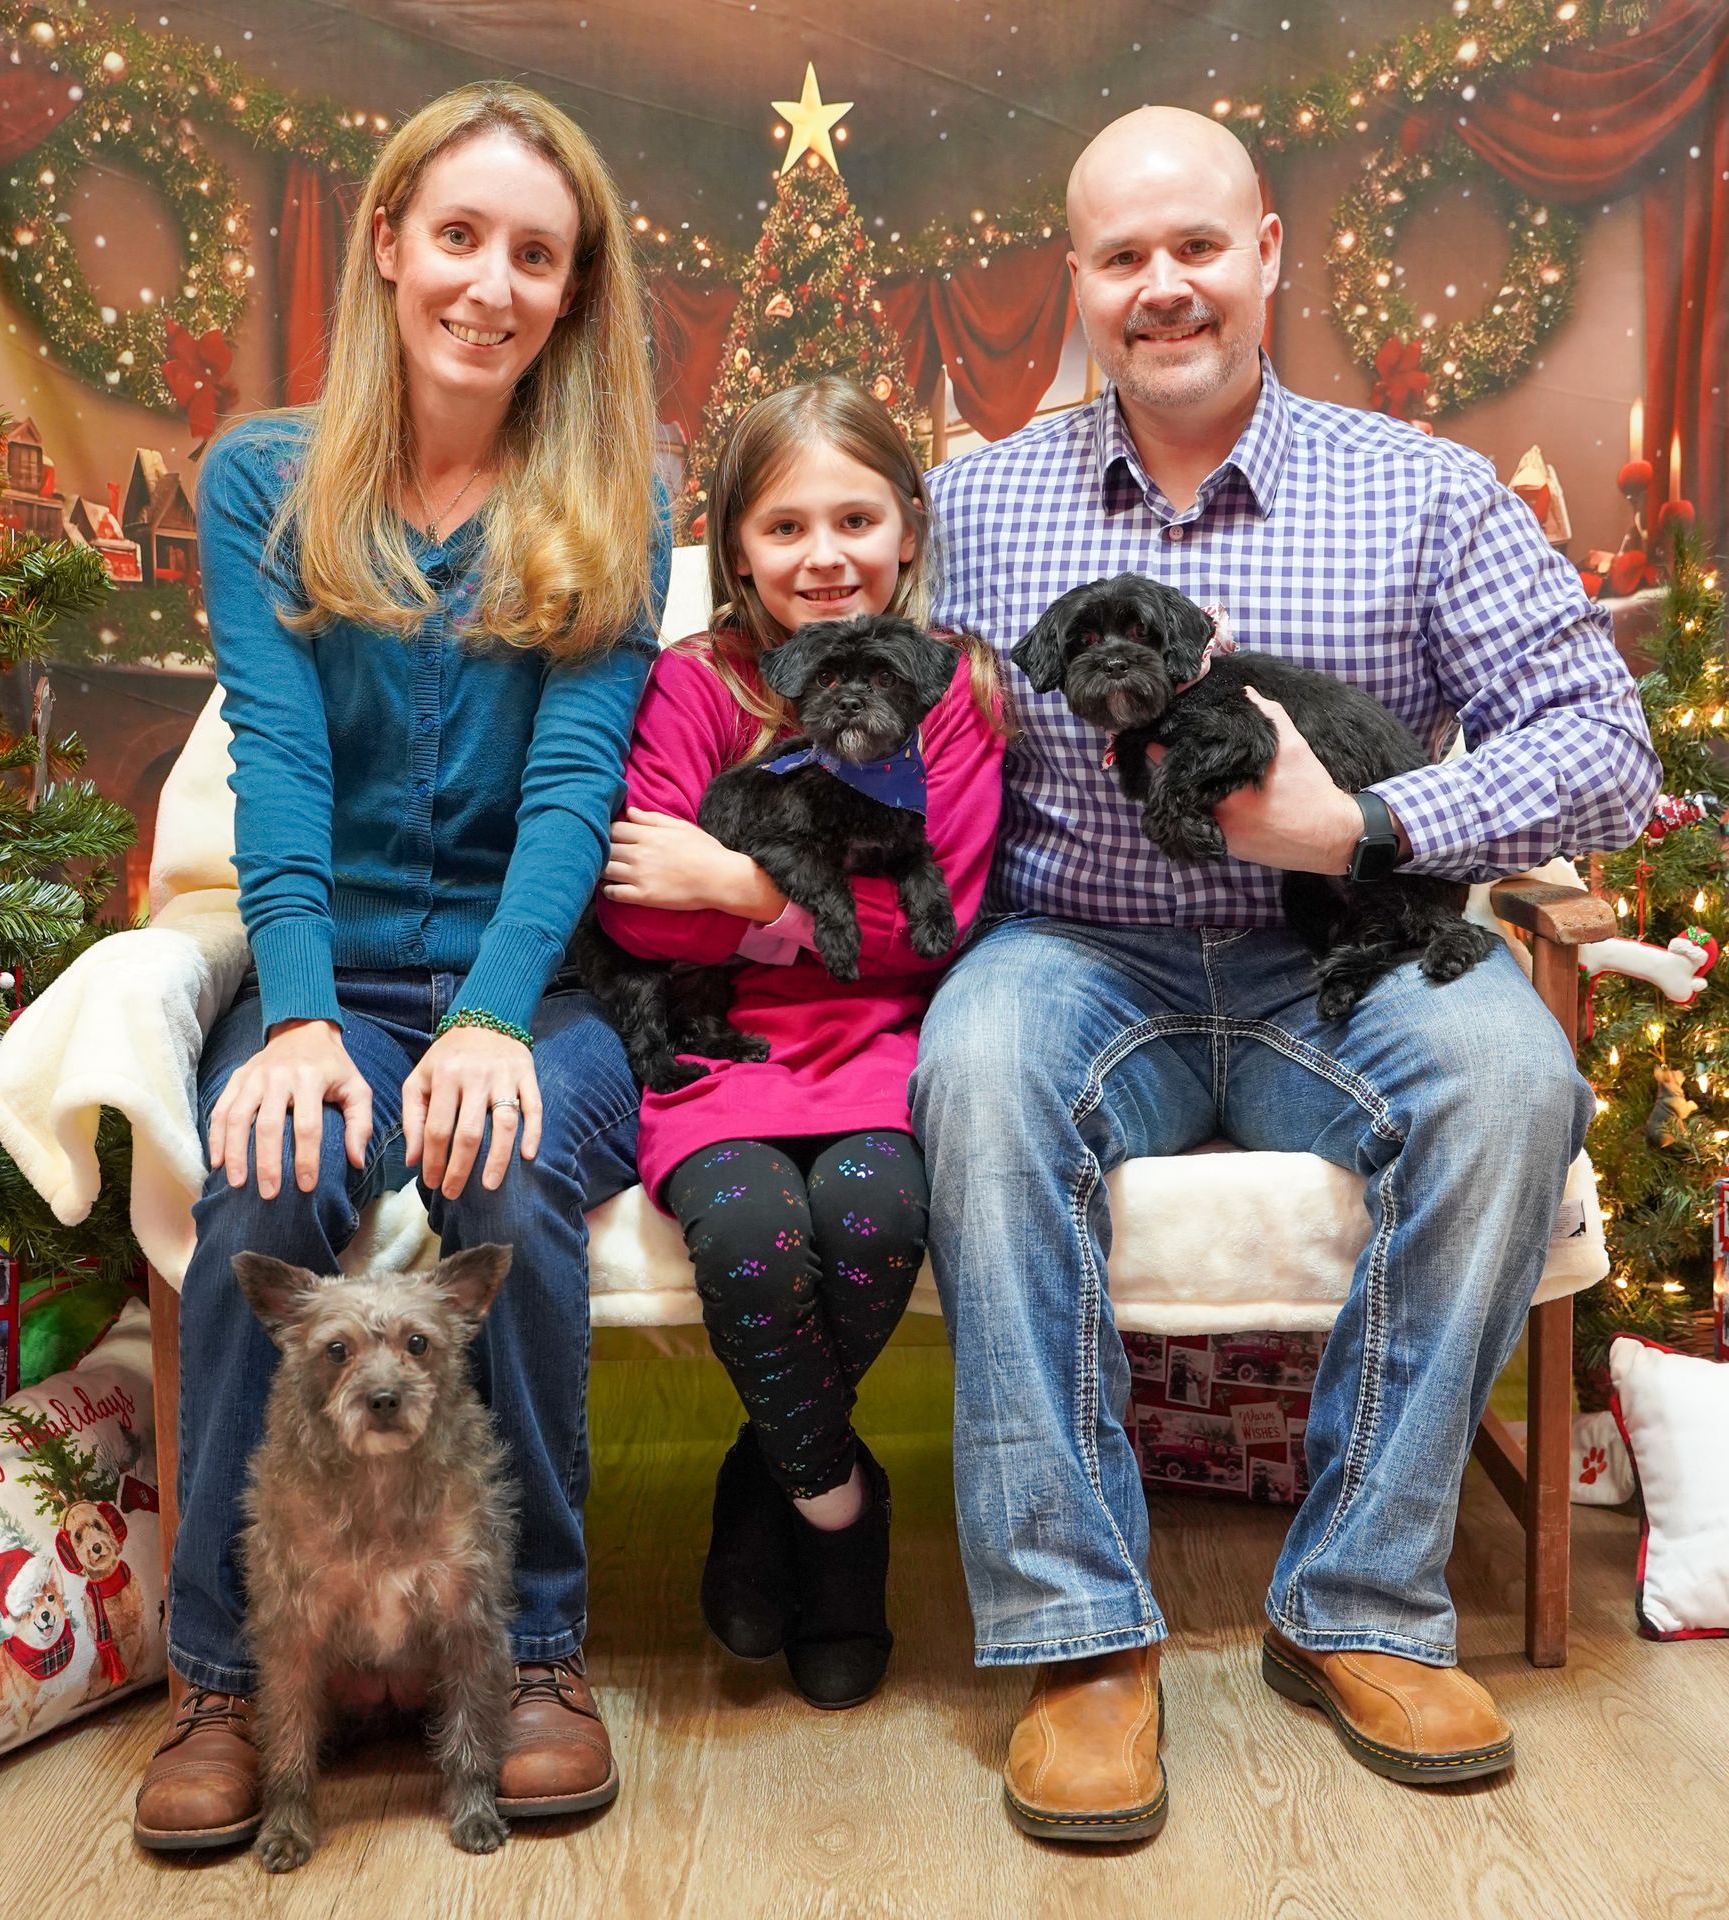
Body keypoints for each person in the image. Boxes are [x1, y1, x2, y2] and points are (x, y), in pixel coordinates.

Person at [911, 105, 1658, 1841]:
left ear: (1266, 255)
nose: (1163, 288)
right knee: (977, 1064)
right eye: (1121, 258)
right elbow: (825, 651)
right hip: (1076, 950)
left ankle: (1360, 1603)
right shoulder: (978, 502)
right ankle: (1083, 1638)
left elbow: (1606, 749)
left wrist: (1370, 822)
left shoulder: (1424, 488)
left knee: (1516, 1073)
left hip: (1355, 950)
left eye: (1196, 248)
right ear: (1079, 282)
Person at [132, 81, 670, 1852]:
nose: (492, 285)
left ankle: (532, 1656)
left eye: (538, 255)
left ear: (573, 292)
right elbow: (277, 763)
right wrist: (294, 1018)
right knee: (260, 1181)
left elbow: (578, 787)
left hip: (537, 988)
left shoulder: (620, 493)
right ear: (387, 242)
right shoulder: (266, 481)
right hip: (327, 975)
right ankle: (222, 1669)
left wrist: (502, 1016)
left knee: (495, 1175)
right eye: (460, 237)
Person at [594, 377, 1006, 1707]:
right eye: (785, 527)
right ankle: (844, 1514)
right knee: (753, 1233)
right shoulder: (692, 687)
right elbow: (646, 919)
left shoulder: (953, 693)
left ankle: (764, 1485)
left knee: (880, 1212)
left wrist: (750, 895)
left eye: (855, 518)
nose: (824, 555)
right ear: (734, 546)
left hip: (885, 1038)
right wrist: (757, 918)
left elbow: (934, 926)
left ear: (907, 529)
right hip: (717, 1048)